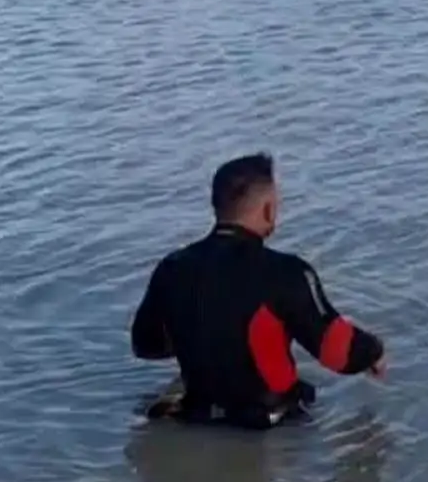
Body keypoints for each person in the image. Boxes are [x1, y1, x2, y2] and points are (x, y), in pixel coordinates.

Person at [130, 152, 386, 430]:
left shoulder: (172, 268)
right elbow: (337, 354)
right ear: (268, 210)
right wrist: (373, 350)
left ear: (217, 205)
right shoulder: (287, 272)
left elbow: (146, 346)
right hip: (269, 427)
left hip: (197, 416)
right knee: (371, 439)